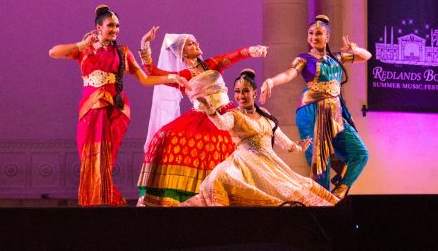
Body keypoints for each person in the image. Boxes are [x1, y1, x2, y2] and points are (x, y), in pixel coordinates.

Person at [48, 5, 189, 206]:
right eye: (110, 25)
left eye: (117, 26)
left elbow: (145, 79)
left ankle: (105, 204)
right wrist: (80, 44)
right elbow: (53, 52)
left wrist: (173, 77)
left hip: (115, 111)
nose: (115, 29)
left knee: (104, 163)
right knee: (90, 162)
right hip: (90, 109)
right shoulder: (84, 50)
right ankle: (106, 203)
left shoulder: (122, 52)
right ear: (99, 28)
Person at [136, 30, 267, 206]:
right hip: (201, 116)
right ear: (182, 52)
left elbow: (235, 55)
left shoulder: (212, 64)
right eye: (191, 43)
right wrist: (145, 44)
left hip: (226, 113)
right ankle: (193, 195)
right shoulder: (181, 76)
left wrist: (253, 50)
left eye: (196, 41)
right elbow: (152, 72)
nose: (196, 44)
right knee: (164, 136)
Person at [182, 69, 339, 206]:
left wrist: (298, 147)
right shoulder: (234, 115)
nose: (240, 95)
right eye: (237, 91)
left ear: (254, 93)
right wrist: (209, 108)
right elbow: (221, 124)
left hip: (269, 163)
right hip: (245, 163)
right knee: (220, 178)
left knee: (294, 189)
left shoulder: (265, 115)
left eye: (245, 91)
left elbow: (281, 138)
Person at [260, 15, 372, 198]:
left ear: (327, 37)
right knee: (319, 161)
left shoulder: (337, 57)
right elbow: (289, 74)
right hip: (310, 111)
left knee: (361, 153)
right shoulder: (303, 58)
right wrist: (271, 82)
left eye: (318, 33)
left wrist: (356, 49)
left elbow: (367, 56)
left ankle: (340, 190)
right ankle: (321, 203)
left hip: (334, 113)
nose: (314, 37)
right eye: (311, 33)